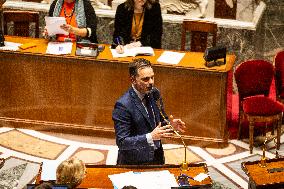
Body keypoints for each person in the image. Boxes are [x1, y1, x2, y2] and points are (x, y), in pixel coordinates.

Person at [112, 58, 186, 165]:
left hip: (157, 157)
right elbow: (122, 142)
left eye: (152, 77)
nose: (151, 82)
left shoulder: (154, 93)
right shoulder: (123, 105)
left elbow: (160, 121)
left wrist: (171, 126)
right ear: (133, 80)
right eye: (145, 79)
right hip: (135, 162)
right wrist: (150, 137)